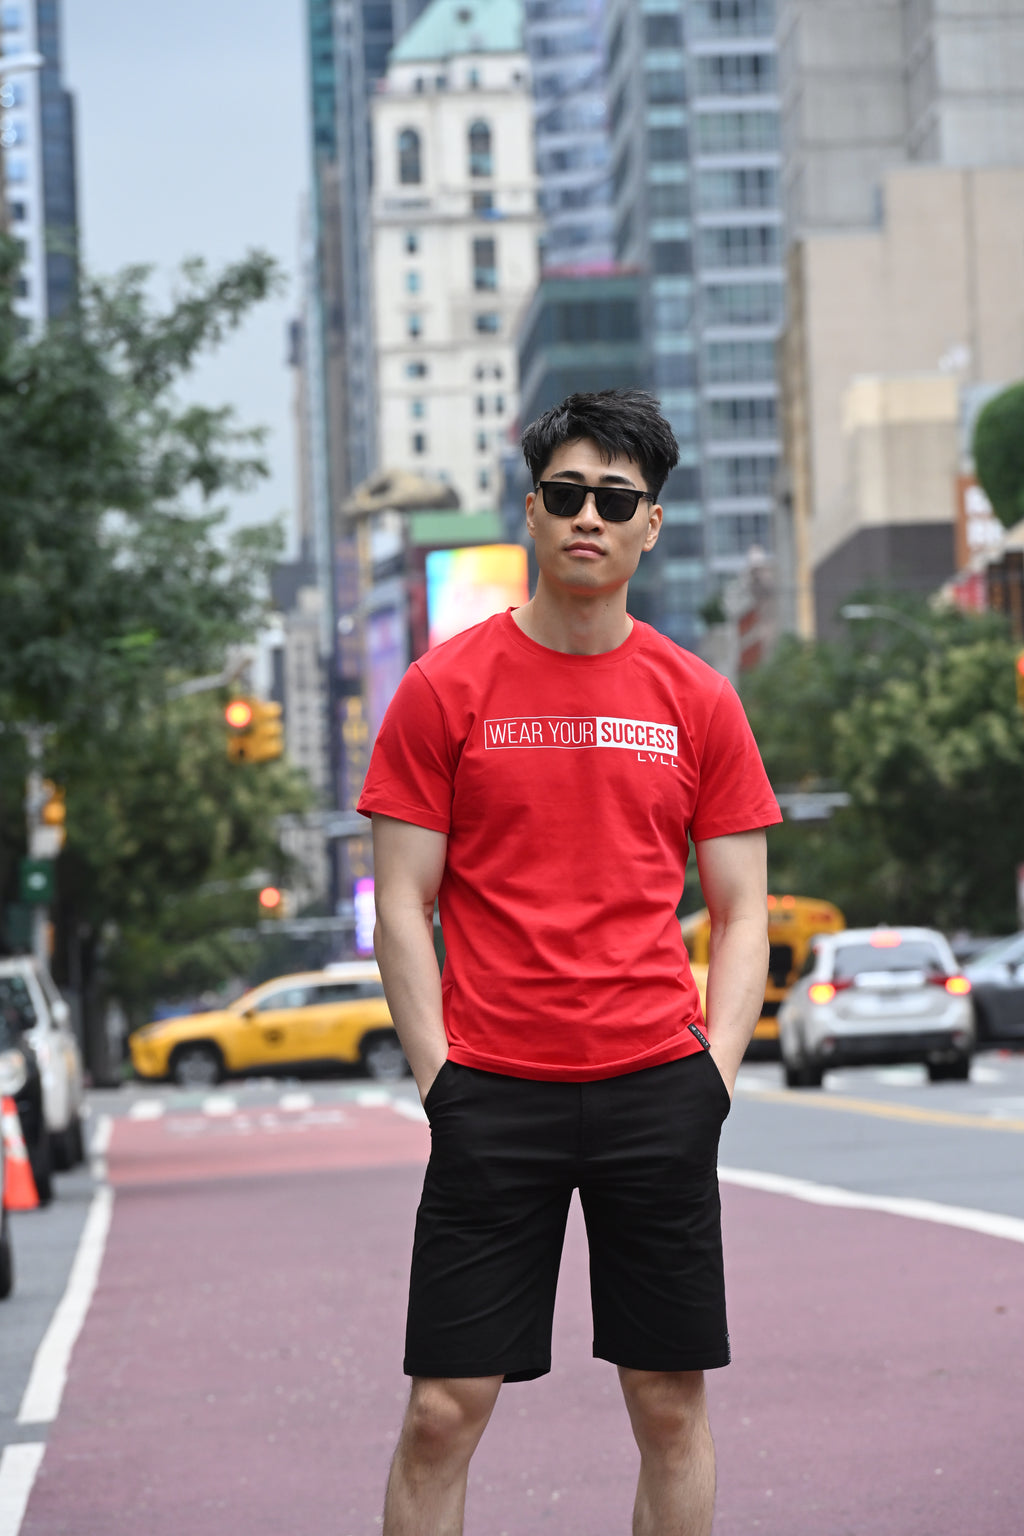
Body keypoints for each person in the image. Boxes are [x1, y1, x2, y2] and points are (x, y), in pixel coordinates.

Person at [357, 388, 781, 1536]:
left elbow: (743, 910)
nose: (586, 516)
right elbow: (402, 900)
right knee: (443, 1410)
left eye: (614, 499)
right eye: (565, 494)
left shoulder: (697, 698)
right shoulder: (444, 688)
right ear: (531, 514)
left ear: (650, 524)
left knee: (667, 1404)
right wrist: (441, 1078)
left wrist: (716, 1074)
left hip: (656, 1087)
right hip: (492, 1092)